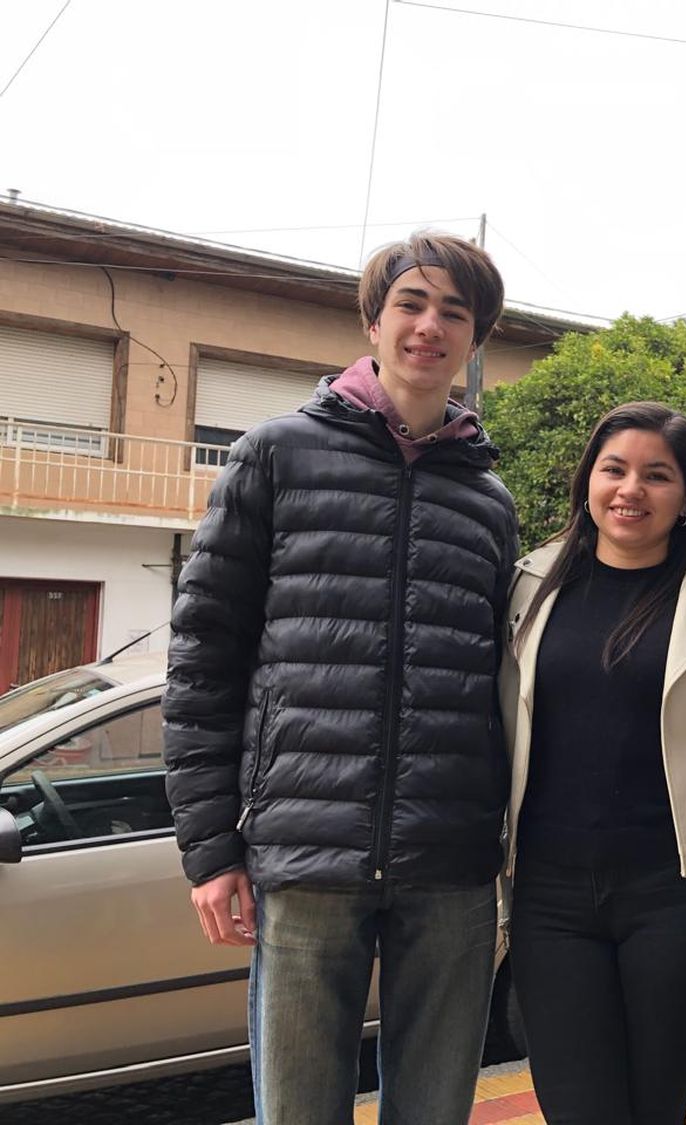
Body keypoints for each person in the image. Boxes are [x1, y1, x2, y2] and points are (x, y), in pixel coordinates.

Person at [162, 232, 517, 1124]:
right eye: (412, 303)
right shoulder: (275, 454)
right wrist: (210, 848)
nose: (430, 326)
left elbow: (499, 684)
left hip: (451, 863)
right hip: (306, 853)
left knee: (435, 1110)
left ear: (476, 340)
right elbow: (205, 657)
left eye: (454, 312)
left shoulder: (488, 499)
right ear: (373, 320)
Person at [501, 401, 686, 1124]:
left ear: (685, 498)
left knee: (655, 1111)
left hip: (674, 895)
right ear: (588, 480)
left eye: (657, 474)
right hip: (549, 900)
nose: (630, 489)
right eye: (614, 468)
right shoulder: (527, 586)